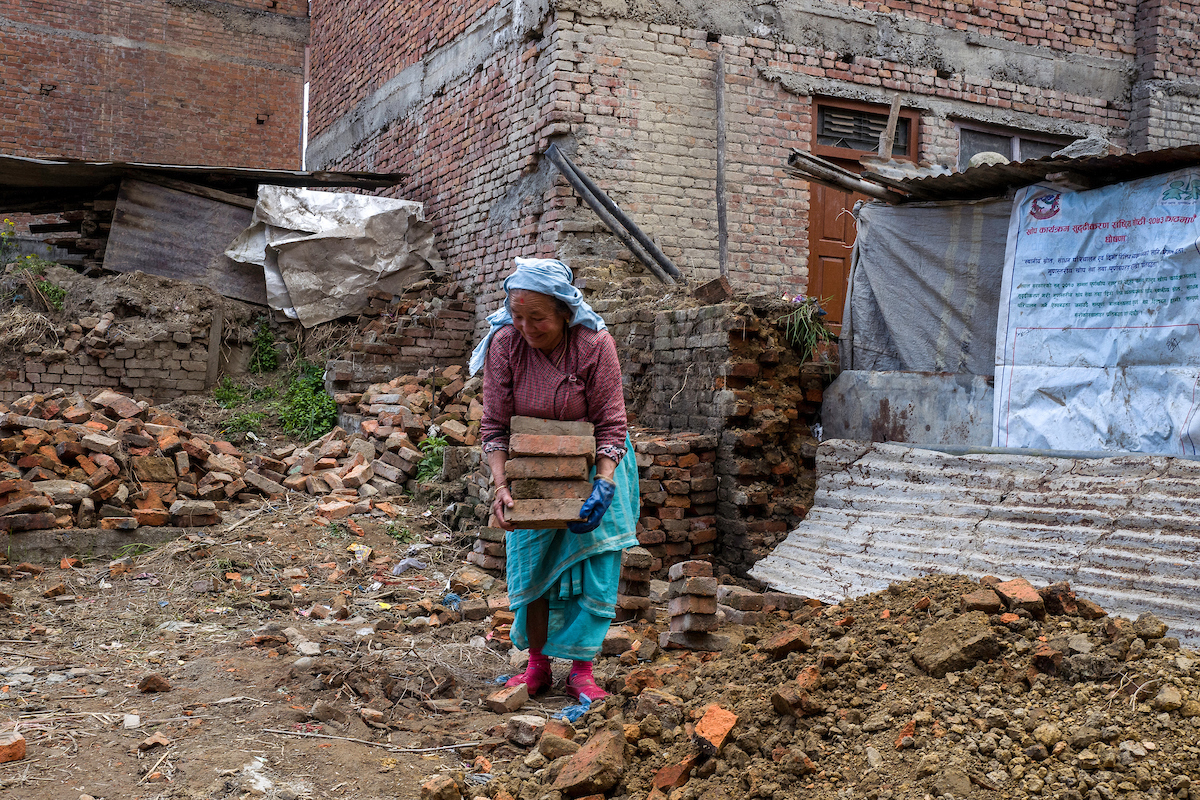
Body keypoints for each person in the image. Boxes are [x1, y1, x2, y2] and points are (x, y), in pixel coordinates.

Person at [469, 257, 639, 703]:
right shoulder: (505, 344)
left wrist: (604, 482)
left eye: (538, 318)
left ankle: (582, 671)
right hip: (527, 472)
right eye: (518, 315)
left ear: (565, 312)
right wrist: (502, 485)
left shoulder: (594, 345)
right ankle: (537, 667)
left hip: (594, 463)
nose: (525, 326)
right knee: (533, 568)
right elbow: (493, 427)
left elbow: (611, 424)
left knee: (595, 567)